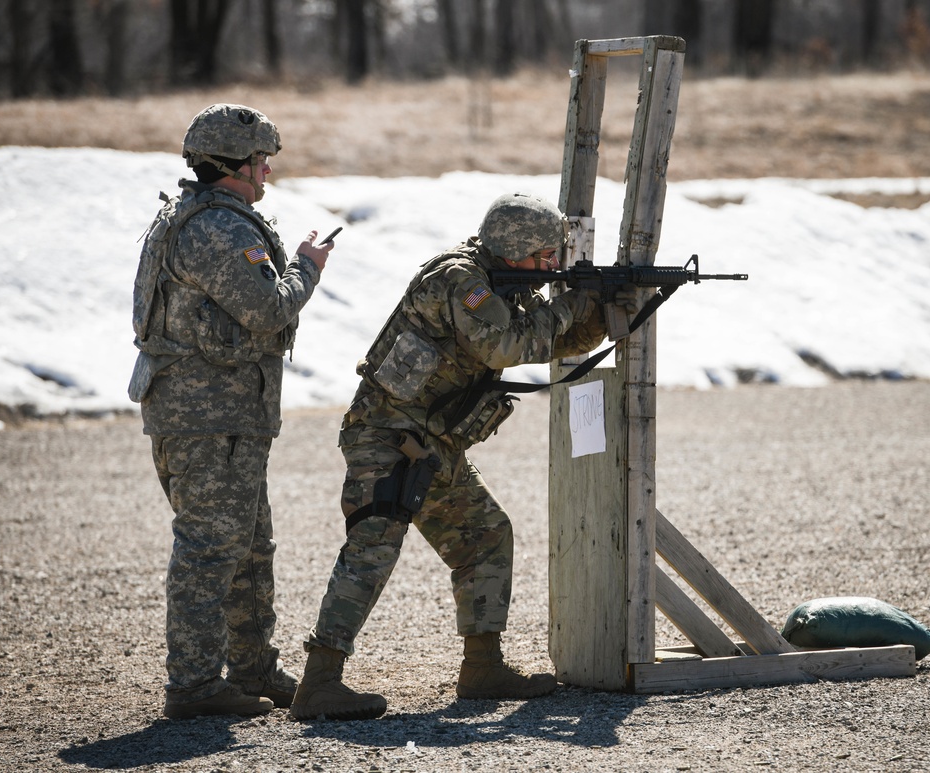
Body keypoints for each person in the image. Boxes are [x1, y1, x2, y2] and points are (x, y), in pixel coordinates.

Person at [290, 192, 626, 721]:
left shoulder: (504, 286)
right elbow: (506, 349)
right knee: (373, 546)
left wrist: (603, 310)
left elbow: (548, 342)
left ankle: (482, 668)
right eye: (545, 256)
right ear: (516, 250)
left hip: (429, 441)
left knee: (486, 535)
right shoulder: (459, 280)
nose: (552, 265)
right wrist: (572, 303)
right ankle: (319, 683)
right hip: (387, 436)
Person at [127, 103, 335, 720]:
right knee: (211, 548)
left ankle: (251, 669)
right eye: (260, 160)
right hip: (210, 418)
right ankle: (194, 687)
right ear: (233, 166)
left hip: (219, 417)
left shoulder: (195, 218)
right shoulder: (220, 228)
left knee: (248, 545)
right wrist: (307, 269)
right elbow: (269, 309)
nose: (267, 170)